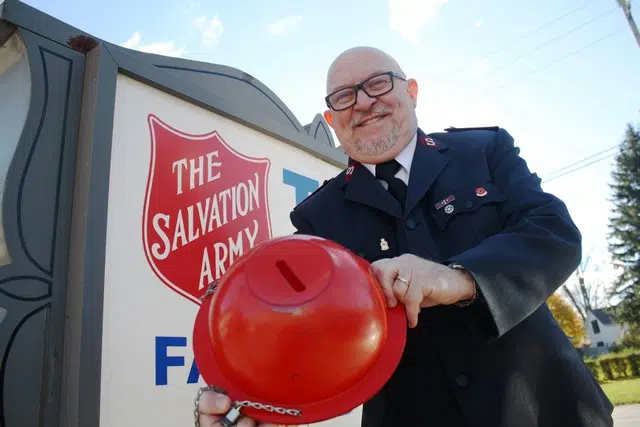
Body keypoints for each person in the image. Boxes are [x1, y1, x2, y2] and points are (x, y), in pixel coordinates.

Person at [194, 46, 614, 427]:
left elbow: (553, 231)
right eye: (344, 96)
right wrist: (255, 403)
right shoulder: (316, 218)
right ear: (331, 119)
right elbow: (299, 333)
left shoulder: (484, 151)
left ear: (411, 91)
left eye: (377, 83)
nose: (363, 102)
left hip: (548, 410)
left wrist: (459, 278)